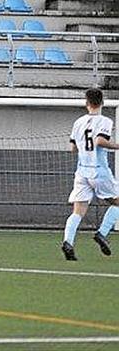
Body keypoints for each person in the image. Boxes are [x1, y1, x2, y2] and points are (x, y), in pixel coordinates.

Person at [62, 88, 119, 260]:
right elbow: (100, 141)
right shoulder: (105, 121)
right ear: (102, 103)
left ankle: (68, 242)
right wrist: (117, 146)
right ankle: (102, 233)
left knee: (78, 211)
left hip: (82, 172)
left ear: (87, 103)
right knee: (117, 203)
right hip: (99, 170)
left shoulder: (78, 122)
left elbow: (72, 148)